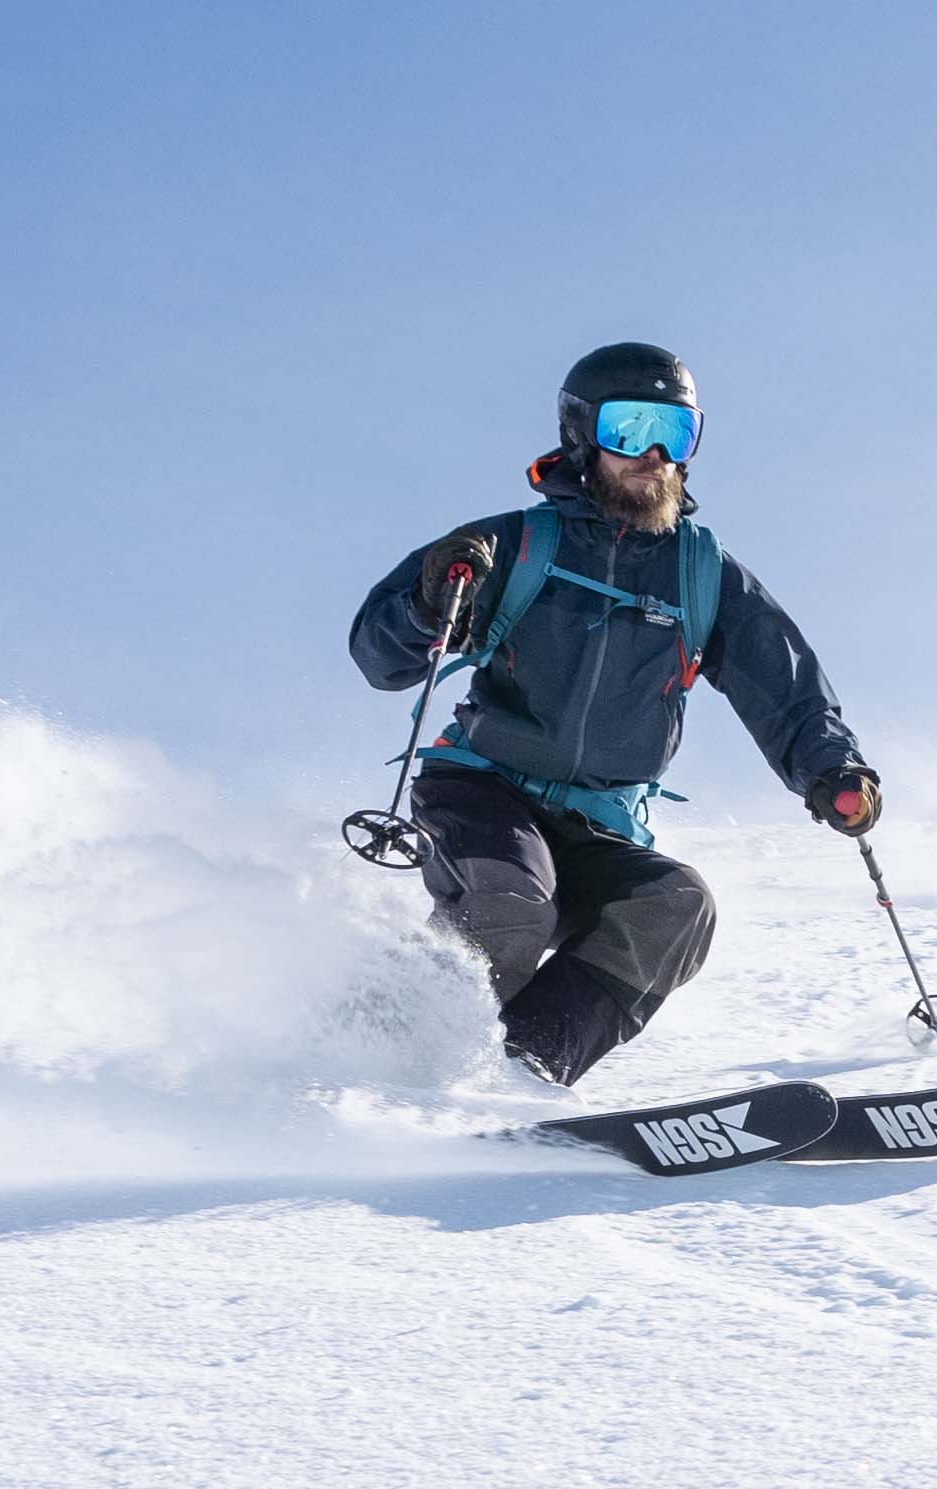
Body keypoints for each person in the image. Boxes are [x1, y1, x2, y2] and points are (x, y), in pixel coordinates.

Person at [348, 342, 881, 1085]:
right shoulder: (513, 544)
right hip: (484, 788)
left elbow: (785, 686)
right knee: (507, 907)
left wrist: (831, 768)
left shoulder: (703, 571)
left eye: (678, 433)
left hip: (600, 820)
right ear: (581, 435)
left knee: (674, 908)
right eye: (631, 431)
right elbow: (381, 660)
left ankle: (519, 1074)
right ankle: (374, 1060)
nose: (655, 454)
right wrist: (427, 602)